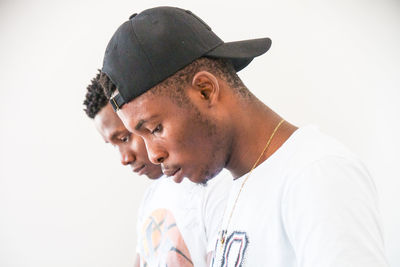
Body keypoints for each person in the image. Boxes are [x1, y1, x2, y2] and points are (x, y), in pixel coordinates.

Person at [99, 6, 389, 267]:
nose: (153, 155)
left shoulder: (315, 173)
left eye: (155, 128)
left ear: (205, 91)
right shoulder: (238, 190)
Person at [83, 71, 232, 267]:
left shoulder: (214, 183)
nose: (124, 159)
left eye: (125, 138)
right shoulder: (151, 198)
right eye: (114, 145)